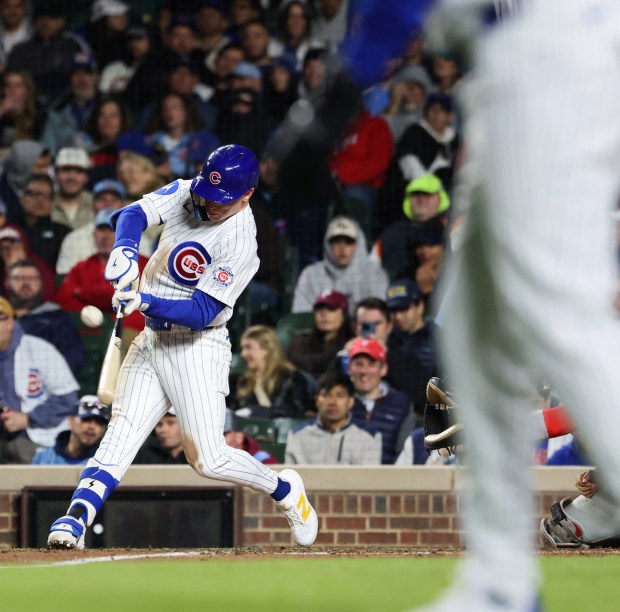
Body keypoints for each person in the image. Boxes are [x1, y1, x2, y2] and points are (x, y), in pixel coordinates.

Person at [419, 1, 620, 609]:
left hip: (556, 73)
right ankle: (502, 581)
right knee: (474, 320)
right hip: (521, 79)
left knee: (555, 312)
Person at [47, 144, 318, 550]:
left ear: (245, 196)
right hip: (152, 337)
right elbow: (132, 215)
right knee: (121, 433)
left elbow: (202, 311)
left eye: (220, 200)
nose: (208, 204)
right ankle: (76, 518)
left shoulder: (241, 242)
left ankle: (284, 490)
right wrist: (124, 251)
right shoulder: (191, 191)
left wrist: (144, 300)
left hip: (197, 346)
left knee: (207, 459)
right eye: (206, 194)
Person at [0, 296, 79, 464]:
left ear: (10, 323)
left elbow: (68, 400)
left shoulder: (38, 349)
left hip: (39, 438)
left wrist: (28, 418)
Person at [292, 215, 389, 315]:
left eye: (348, 241)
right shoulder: (311, 275)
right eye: (336, 241)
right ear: (327, 244)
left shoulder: (375, 275)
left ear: (359, 244)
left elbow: (378, 319)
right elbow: (301, 317)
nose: (342, 248)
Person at [5, 259, 85, 376]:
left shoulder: (56, 317)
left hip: (40, 385)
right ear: (7, 283)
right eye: (18, 278)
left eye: (32, 278)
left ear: (40, 283)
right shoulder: (3, 316)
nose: (26, 284)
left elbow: (74, 358)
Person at [285, 370, 382, 465]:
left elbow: (369, 479)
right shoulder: (297, 436)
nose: (332, 402)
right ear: (316, 401)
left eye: (340, 396)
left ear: (351, 402)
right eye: (326, 395)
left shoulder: (368, 437)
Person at [347, 336, 413, 465]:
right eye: (358, 364)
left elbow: (405, 452)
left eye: (371, 364)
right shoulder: (340, 401)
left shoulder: (402, 403)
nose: (364, 371)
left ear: (383, 369)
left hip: (389, 477)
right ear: (349, 368)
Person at [229, 324, 315, 419]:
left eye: (248, 347)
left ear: (266, 349)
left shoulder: (292, 379)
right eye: (242, 349)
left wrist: (256, 412)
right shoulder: (237, 382)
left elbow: (296, 413)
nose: (243, 354)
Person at [287, 289, 354, 378]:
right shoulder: (302, 341)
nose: (323, 314)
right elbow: (298, 363)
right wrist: (339, 354)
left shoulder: (353, 342)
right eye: (319, 309)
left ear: (344, 315)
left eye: (331, 309)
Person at [32, 396, 110, 465]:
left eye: (99, 423)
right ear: (70, 421)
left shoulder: (106, 462)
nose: (92, 426)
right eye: (87, 420)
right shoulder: (42, 459)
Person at [18, 173, 71, 269]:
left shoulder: (63, 233)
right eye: (34, 194)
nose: (40, 200)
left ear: (52, 203)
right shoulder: (11, 231)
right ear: (22, 199)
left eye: (46, 195)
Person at [51, 147, 94, 230]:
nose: (71, 177)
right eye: (66, 170)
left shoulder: (96, 204)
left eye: (79, 171)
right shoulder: (45, 204)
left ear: (87, 177)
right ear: (56, 174)